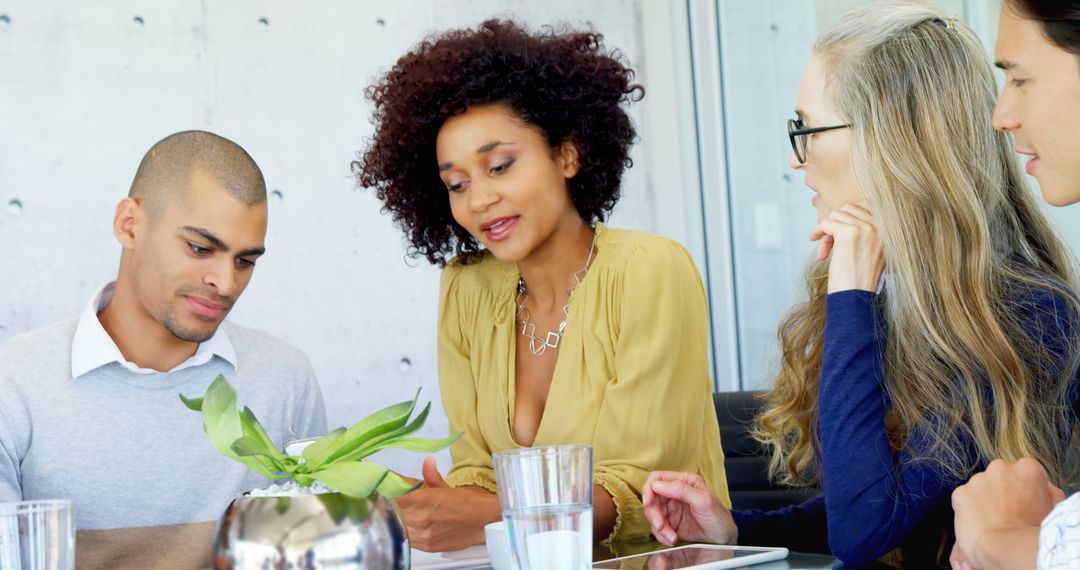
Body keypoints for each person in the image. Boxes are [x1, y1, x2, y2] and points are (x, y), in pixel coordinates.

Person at [640, 2, 1080, 566]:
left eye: (807, 128)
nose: (797, 159)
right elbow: (894, 507)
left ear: (891, 140)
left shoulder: (1029, 314)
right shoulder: (900, 297)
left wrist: (851, 298)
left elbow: (866, 530)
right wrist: (735, 530)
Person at [355, 19, 729, 552]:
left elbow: (642, 491)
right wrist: (435, 506)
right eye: (457, 184)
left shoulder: (649, 270)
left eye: (500, 166)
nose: (478, 199)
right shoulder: (468, 289)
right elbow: (478, 472)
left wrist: (486, 513)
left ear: (567, 155)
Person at [0, 130, 328, 569]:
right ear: (129, 225)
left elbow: (314, 555)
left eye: (245, 261)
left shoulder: (285, 380)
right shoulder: (15, 382)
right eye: (200, 248)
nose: (226, 283)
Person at [949, 1, 1080, 569]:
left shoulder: (1034, 309)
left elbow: (864, 522)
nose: (1001, 116)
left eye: (1021, 79)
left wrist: (1000, 538)